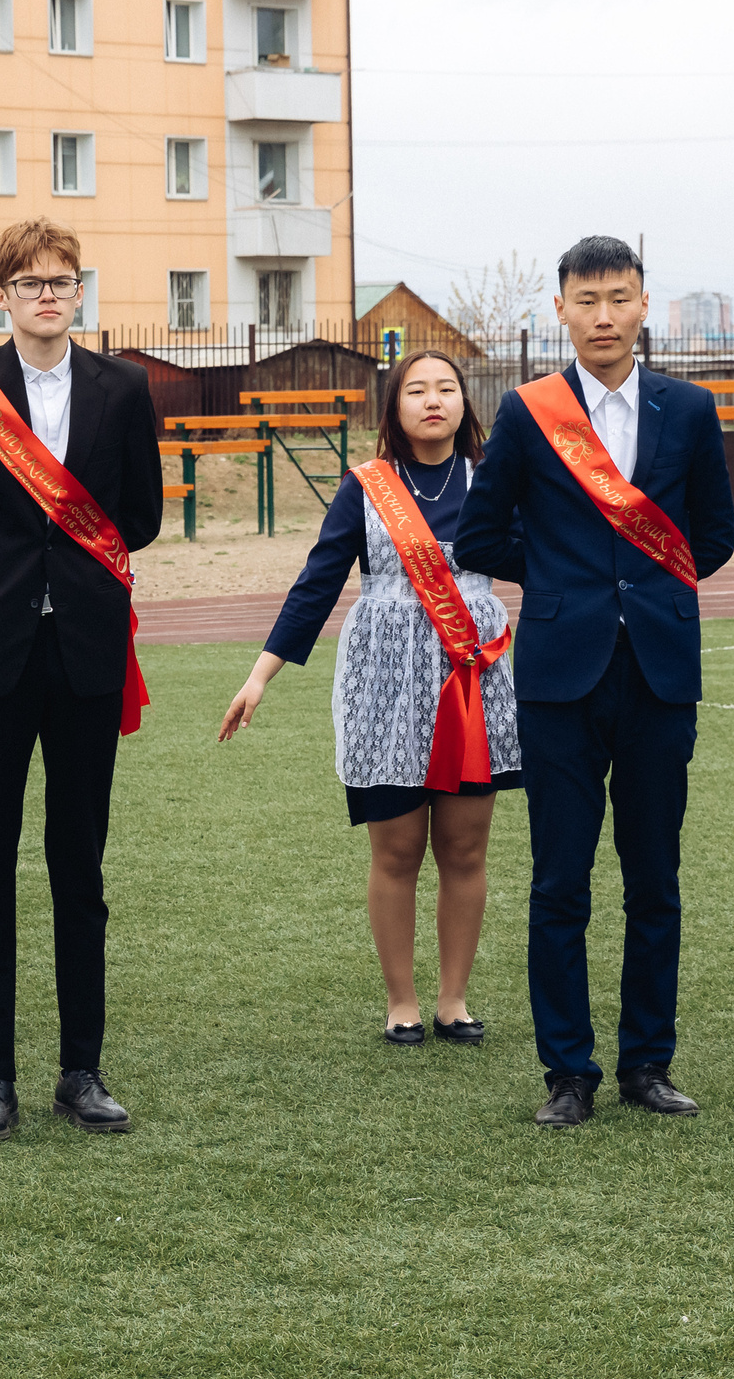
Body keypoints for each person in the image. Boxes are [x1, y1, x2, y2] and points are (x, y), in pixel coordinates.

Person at [452, 235, 734, 1127]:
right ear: (562, 310)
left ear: (645, 304)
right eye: (588, 300)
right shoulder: (528, 412)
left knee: (655, 877)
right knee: (559, 880)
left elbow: (713, 537)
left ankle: (647, 1063)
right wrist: (566, 578)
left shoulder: (689, 409)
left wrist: (646, 581)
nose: (604, 315)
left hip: (659, 671)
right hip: (559, 677)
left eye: (620, 297)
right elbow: (479, 535)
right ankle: (566, 1072)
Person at [0, 217, 164, 1141]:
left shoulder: (123, 388)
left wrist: (70, 580)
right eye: (30, 282)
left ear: (81, 291)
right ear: (0, 295)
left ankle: (80, 1070)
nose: (48, 295)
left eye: (63, 281)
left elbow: (140, 515)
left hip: (85, 649)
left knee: (77, 864)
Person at [220, 350, 521, 1044]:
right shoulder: (366, 485)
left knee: (466, 847)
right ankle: (402, 1002)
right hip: (383, 680)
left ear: (465, 402)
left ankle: (454, 1000)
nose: (433, 400)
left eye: (447, 387)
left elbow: (541, 555)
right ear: (394, 406)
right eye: (417, 389)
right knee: (397, 847)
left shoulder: (493, 479)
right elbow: (317, 582)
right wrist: (260, 676)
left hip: (472, 676)